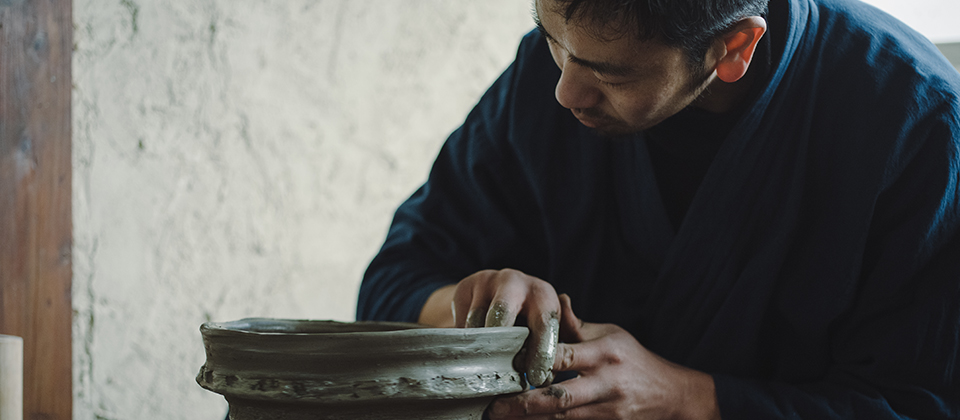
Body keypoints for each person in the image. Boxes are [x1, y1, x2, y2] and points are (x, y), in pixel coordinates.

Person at [357, 0, 960, 418]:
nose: (565, 91)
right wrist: (476, 309)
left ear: (734, 48)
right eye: (551, 39)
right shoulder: (544, 79)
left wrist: (689, 399)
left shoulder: (919, 126)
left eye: (610, 75)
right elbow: (392, 283)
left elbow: (923, 404)